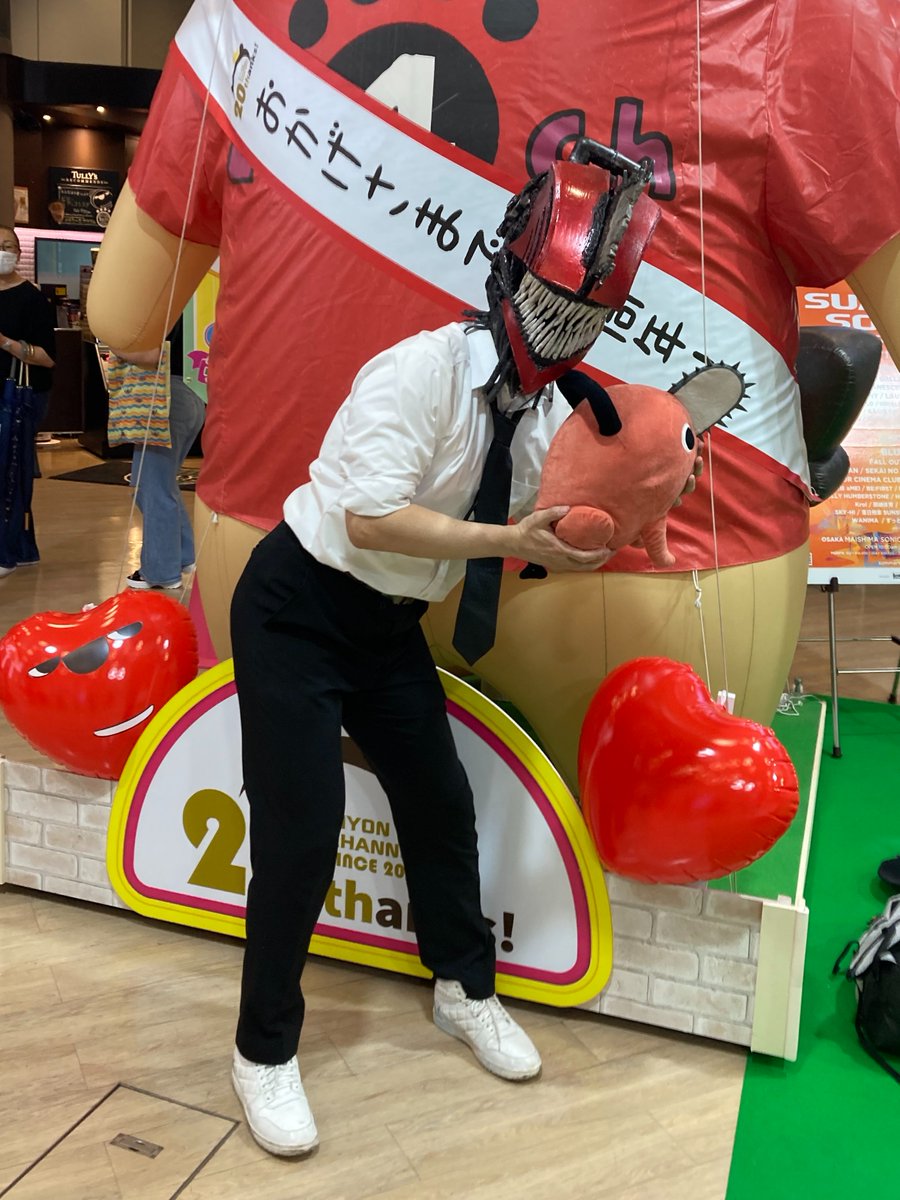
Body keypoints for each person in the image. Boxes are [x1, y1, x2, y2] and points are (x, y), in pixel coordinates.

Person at [86, 0, 900, 792]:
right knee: (329, 816)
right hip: (588, 608)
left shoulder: (238, 14)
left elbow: (123, 312)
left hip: (285, 543)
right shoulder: (791, 16)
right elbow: (371, 511)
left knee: (378, 812)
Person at [228, 150, 682, 1157]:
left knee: (441, 802)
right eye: (552, 302)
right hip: (298, 606)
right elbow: (372, 517)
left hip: (391, 627)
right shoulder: (420, 371)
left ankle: (463, 989)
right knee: (302, 829)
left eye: (589, 313)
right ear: (509, 276)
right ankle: (262, 1051)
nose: (565, 329)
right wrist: (509, 539)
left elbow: (553, 532)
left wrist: (638, 501)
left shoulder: (560, 419)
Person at [108, 332, 205, 591]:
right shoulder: (192, 314)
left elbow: (152, 355)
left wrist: (113, 342)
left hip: (165, 397)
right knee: (160, 483)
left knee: (152, 487)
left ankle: (161, 571)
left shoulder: (164, 313)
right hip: (189, 394)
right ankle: (182, 554)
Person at [0, 226, 56, 579]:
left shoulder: (32, 299)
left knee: (10, 470)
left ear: (19, 253)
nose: (2, 252)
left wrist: (5, 342)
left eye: (7, 246)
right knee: (12, 471)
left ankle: (5, 551)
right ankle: (22, 548)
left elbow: (48, 358)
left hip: (20, 396)